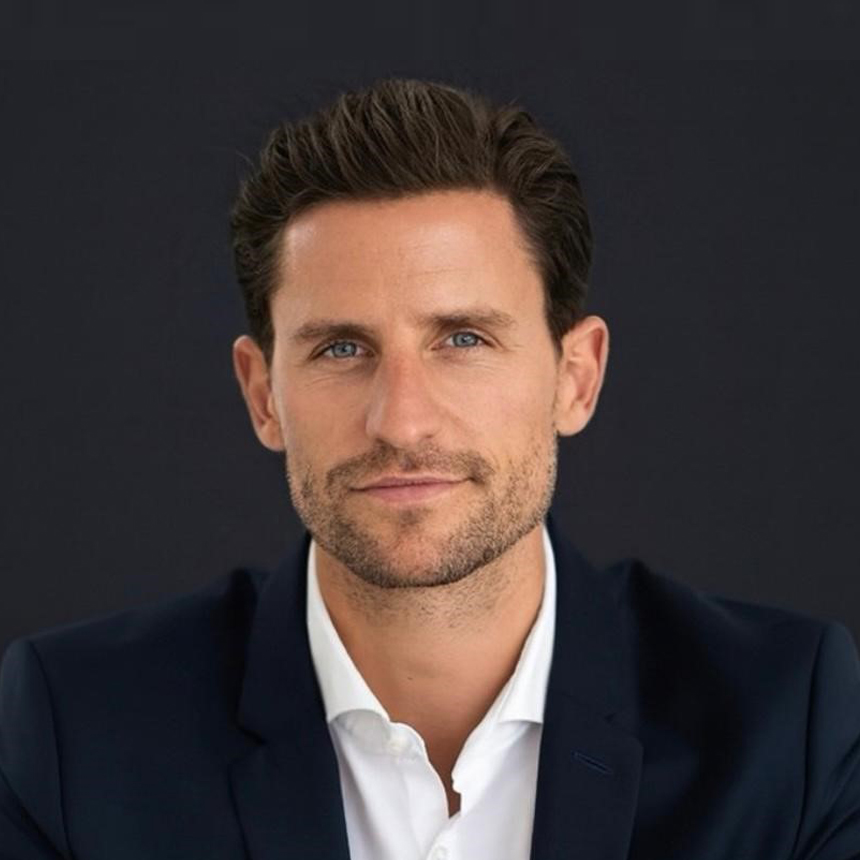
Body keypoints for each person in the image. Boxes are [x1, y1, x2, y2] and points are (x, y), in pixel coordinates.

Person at [1, 77, 858, 860]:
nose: (401, 419)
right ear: (263, 395)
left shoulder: (790, 727)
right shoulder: (74, 732)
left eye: (463, 339)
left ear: (576, 377)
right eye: (342, 348)